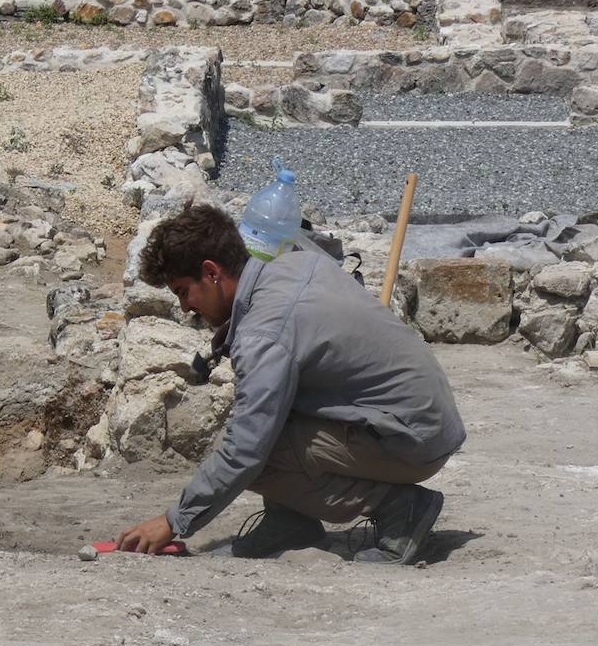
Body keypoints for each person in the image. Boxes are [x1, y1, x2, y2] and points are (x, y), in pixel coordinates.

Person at [116, 202, 465, 565]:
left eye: (183, 291)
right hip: (425, 420)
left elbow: (245, 450)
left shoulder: (265, 331)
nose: (186, 307)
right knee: (266, 421)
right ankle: (290, 524)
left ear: (211, 272)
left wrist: (173, 522)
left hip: (410, 439)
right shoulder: (297, 264)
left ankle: (400, 509)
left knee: (255, 449)